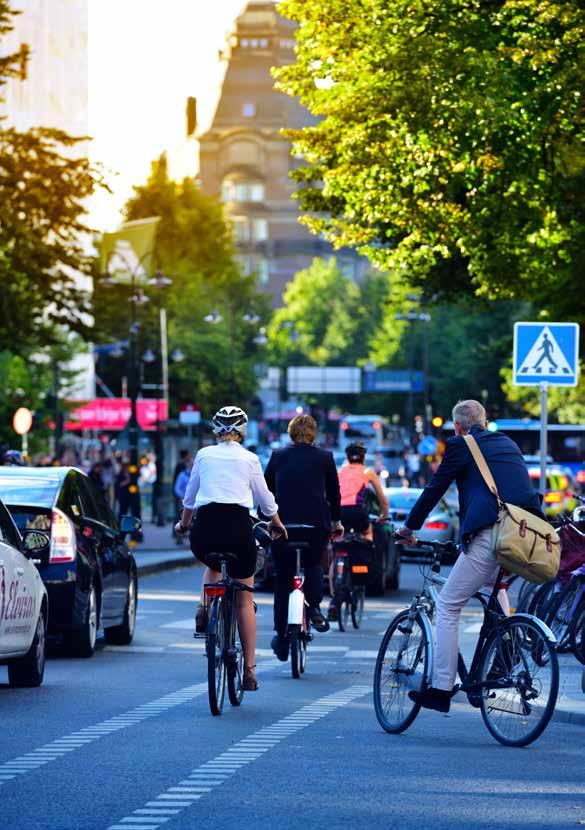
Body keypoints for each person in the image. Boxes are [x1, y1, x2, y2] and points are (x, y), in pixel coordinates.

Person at [397, 399, 544, 713]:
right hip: (523, 537)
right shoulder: (507, 442)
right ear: (485, 420)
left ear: (457, 426)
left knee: (448, 605)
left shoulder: (460, 444)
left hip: (490, 535)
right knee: (495, 589)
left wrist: (409, 528)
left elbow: (436, 488)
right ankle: (507, 649)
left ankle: (440, 688)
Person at [175, 405, 286, 692]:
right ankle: (249, 670)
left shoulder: (203, 455)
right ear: (242, 430)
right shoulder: (250, 459)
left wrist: (183, 525)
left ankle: (204, 607)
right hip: (238, 530)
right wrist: (276, 522)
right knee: (243, 600)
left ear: (216, 429)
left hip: (205, 530)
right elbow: (265, 500)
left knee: (211, 564)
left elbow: (190, 499)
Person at [264, 414, 343, 661]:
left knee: (282, 579)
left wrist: (265, 517)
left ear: (290, 433)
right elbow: (334, 493)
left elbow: (266, 491)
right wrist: (336, 522)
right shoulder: (325, 458)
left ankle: (281, 636)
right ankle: (316, 608)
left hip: (283, 526)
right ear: (314, 434)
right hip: (315, 526)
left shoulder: (278, 456)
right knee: (313, 562)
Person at [327, 441, 390, 620]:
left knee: (336, 548)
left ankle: (334, 599)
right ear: (363, 457)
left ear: (347, 457)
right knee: (367, 534)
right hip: (358, 513)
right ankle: (364, 561)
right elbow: (383, 500)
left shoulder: (340, 471)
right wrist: (384, 516)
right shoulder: (367, 472)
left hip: (338, 514)